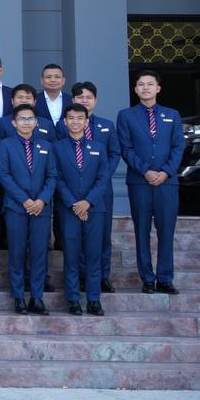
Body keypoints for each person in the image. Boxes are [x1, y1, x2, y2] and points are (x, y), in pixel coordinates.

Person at [117, 70, 185, 295]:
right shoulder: (126, 116)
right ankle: (147, 278)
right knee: (142, 230)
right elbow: (126, 148)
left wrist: (166, 172)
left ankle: (165, 278)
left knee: (166, 231)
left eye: (150, 84)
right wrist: (145, 171)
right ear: (135, 89)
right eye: (140, 84)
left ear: (158, 88)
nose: (145, 88)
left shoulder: (172, 115)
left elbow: (178, 147)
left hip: (167, 183)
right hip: (139, 182)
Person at [0, 103, 58, 315]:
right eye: (22, 119)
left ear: (36, 122)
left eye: (30, 118)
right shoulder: (5, 145)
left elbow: (52, 176)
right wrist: (24, 200)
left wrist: (41, 200)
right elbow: (4, 175)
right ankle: (18, 297)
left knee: (40, 253)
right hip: (16, 207)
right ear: (14, 123)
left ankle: (37, 297)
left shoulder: (46, 145)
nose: (26, 122)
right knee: (17, 252)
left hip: (41, 209)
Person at [55, 103, 110, 316]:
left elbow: (103, 177)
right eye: (71, 118)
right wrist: (74, 203)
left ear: (87, 122)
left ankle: (94, 299)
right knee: (71, 254)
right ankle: (73, 299)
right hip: (69, 210)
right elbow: (57, 178)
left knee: (93, 255)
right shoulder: (57, 147)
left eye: (80, 118)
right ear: (65, 122)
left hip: (94, 209)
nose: (75, 122)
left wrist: (87, 202)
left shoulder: (98, 148)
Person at [72, 81, 119, 294]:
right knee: (78, 236)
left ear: (95, 101)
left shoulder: (106, 125)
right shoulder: (67, 125)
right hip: (76, 190)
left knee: (102, 235)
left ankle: (103, 276)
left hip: (102, 190)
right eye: (80, 97)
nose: (84, 101)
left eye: (88, 97)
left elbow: (114, 154)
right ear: (73, 100)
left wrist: (101, 177)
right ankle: (83, 276)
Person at [38, 64, 70, 130]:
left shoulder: (71, 100)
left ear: (63, 80)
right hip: (41, 139)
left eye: (57, 77)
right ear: (42, 81)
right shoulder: (34, 100)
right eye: (48, 77)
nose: (53, 80)